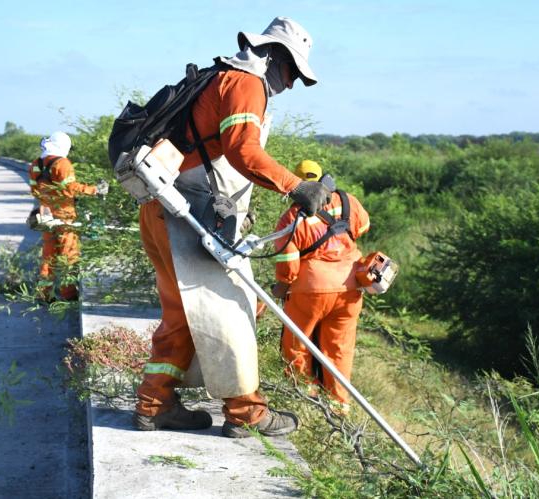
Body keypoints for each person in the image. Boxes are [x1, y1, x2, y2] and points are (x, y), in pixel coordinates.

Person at [133, 17, 331, 438]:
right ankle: (247, 413)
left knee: (182, 314)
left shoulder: (219, 76)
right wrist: (297, 187)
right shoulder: (246, 84)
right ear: (275, 55)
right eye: (292, 70)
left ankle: (155, 405)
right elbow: (243, 152)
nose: (292, 83)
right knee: (233, 307)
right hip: (185, 213)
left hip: (160, 209)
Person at [271, 160, 371, 414]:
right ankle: (339, 407)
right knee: (339, 348)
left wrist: (280, 288)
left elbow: (288, 266)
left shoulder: (292, 217)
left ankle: (306, 399)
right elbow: (362, 226)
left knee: (297, 345)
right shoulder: (347, 201)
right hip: (350, 289)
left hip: (310, 291)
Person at [28, 131, 107, 301]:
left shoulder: (36, 164)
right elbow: (69, 188)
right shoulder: (62, 164)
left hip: (46, 216)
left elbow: (34, 189)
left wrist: (47, 201)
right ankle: (69, 294)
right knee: (68, 255)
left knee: (48, 256)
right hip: (65, 217)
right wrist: (95, 190)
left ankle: (44, 295)